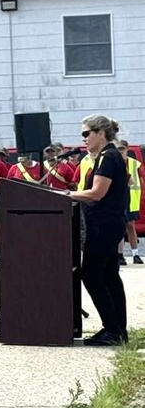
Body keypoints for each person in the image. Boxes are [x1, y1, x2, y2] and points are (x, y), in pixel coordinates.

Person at [67, 115, 129, 346]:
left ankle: (112, 331)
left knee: (91, 276)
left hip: (104, 225)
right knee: (110, 276)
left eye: (86, 133)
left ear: (100, 133)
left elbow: (96, 193)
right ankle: (118, 331)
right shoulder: (107, 156)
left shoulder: (108, 157)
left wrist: (67, 195)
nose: (83, 139)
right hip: (108, 224)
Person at [116, 140, 144, 264]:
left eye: (123, 149)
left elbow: (141, 181)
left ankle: (135, 254)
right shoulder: (113, 163)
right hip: (117, 199)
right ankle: (120, 254)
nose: (121, 151)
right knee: (119, 227)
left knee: (131, 226)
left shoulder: (135, 164)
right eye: (119, 149)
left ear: (127, 149)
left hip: (131, 198)